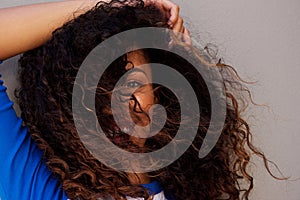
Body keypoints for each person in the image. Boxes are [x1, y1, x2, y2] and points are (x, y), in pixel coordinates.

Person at [0, 0, 281, 199]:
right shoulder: (36, 185)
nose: (116, 110)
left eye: (131, 84)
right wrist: (116, 5)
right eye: (93, 91)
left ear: (159, 92)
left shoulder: (188, 191)